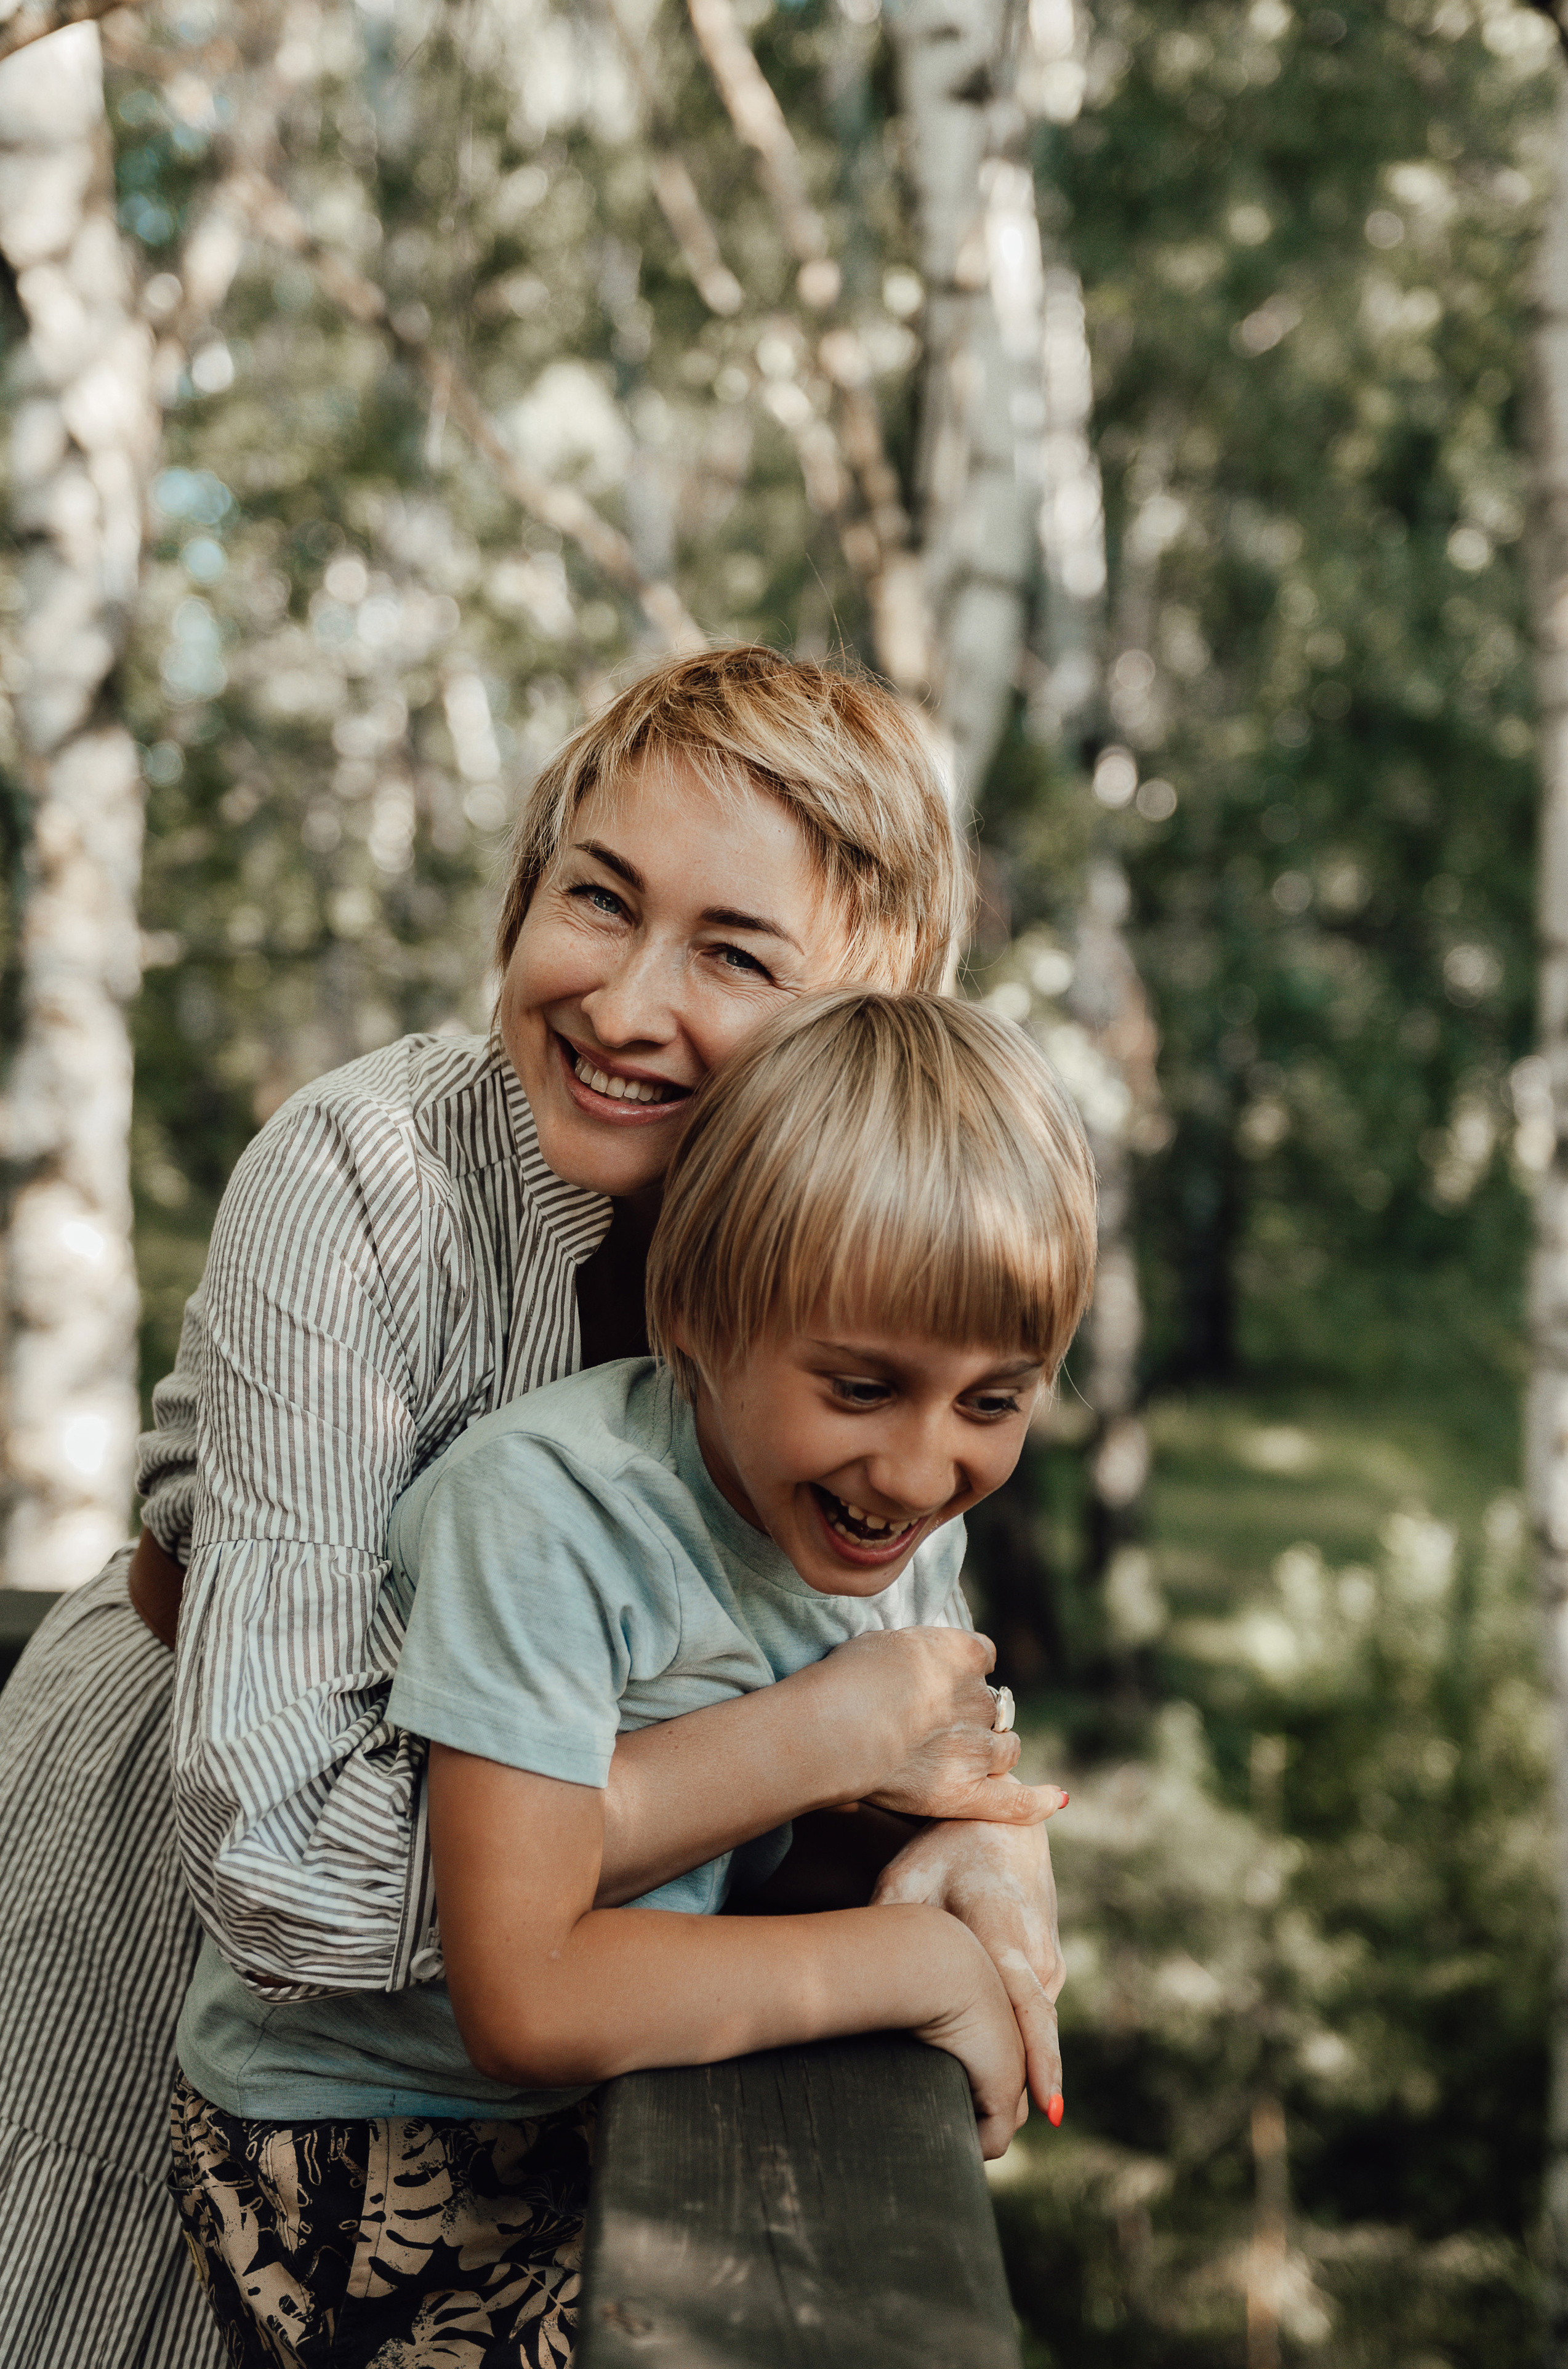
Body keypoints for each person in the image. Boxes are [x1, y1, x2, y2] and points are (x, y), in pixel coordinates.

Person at [0, 646, 1064, 2369]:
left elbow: (902, 1661)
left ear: (878, 1019)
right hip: (191, 1929)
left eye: (732, 954)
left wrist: (976, 1840)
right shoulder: (359, 1180)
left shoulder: (873, 1260)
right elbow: (291, 1869)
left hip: (549, 2035)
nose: (630, 1005)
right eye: (599, 900)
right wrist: (798, 1753)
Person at [167, 989, 1098, 2365]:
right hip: (364, 2148)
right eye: (856, 1388)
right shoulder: (548, 1520)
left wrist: (976, 1850)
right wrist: (915, 1965)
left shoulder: (883, 1515)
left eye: (990, 1402)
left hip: (606, 2098)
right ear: (703, 1314)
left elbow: (942, 1763)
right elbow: (525, 1994)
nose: (917, 1473)